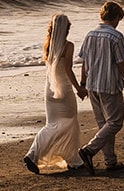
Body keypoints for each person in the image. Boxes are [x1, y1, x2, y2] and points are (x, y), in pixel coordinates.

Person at [77, 0, 124, 173]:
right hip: (109, 85)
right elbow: (121, 64)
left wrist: (83, 83)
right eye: (120, 18)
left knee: (103, 124)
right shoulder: (116, 37)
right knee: (115, 122)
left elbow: (84, 63)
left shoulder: (90, 34)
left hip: (92, 84)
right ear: (117, 16)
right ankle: (89, 150)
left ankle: (110, 161)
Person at [24, 13, 89, 175]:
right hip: (64, 90)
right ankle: (70, 160)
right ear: (66, 29)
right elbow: (68, 70)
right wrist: (79, 88)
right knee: (70, 122)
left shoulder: (48, 45)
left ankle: (39, 154)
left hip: (50, 89)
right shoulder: (68, 46)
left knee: (52, 124)